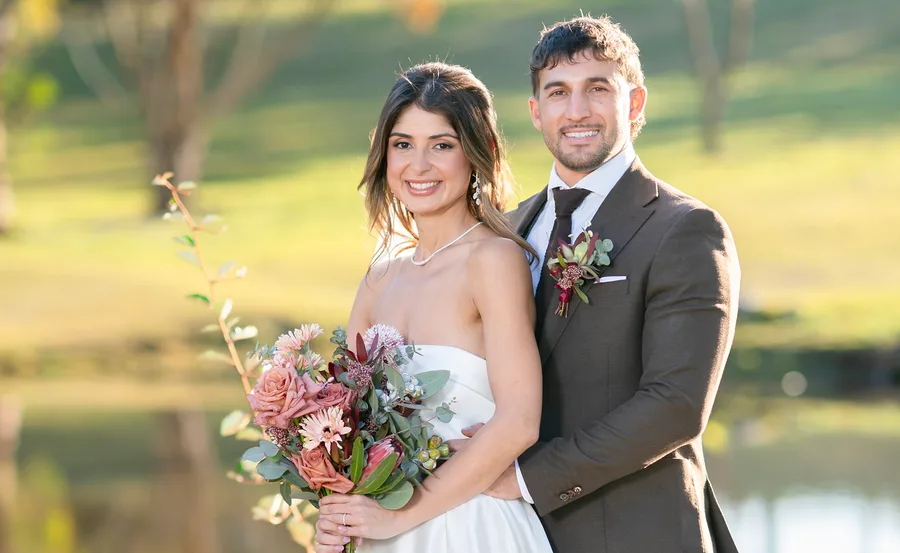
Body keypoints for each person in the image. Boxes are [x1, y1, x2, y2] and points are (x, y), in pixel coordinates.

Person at [319, 14, 742, 553]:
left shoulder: (683, 229)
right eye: (558, 92)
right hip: (488, 523)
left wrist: (522, 479)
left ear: (634, 104)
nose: (577, 110)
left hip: (629, 529)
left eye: (597, 89)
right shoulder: (507, 230)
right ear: (536, 112)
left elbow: (676, 405)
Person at [312, 62, 555, 553]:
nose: (417, 166)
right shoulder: (380, 279)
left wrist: (401, 517)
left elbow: (519, 420)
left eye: (441, 145)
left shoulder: (492, 259)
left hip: (468, 525)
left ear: (478, 152)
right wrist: (337, 517)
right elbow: (339, 429)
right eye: (403, 144)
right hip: (378, 530)